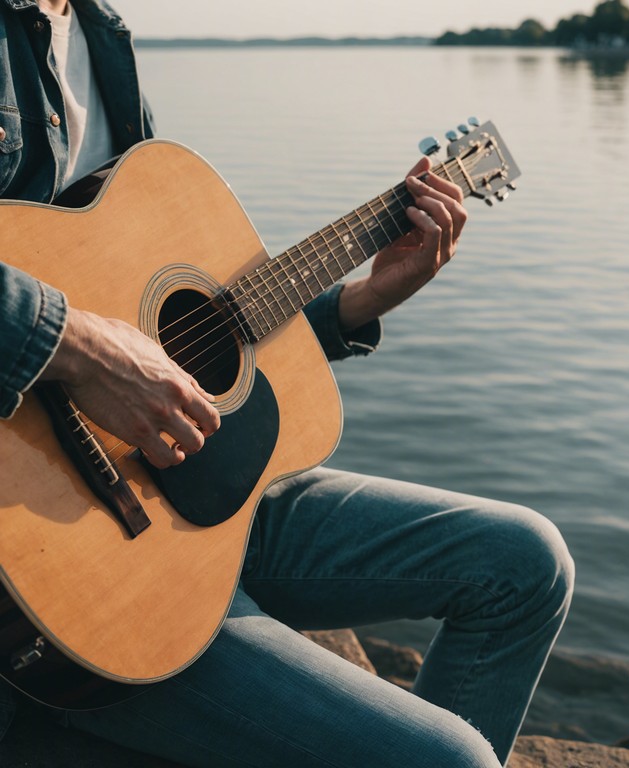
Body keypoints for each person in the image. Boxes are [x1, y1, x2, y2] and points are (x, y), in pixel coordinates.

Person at [0, 1, 575, 766]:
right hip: (57, 564)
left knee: (526, 565)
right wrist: (74, 345)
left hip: (179, 492)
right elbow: (107, 342)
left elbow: (171, 313)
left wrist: (357, 304)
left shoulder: (102, 37)